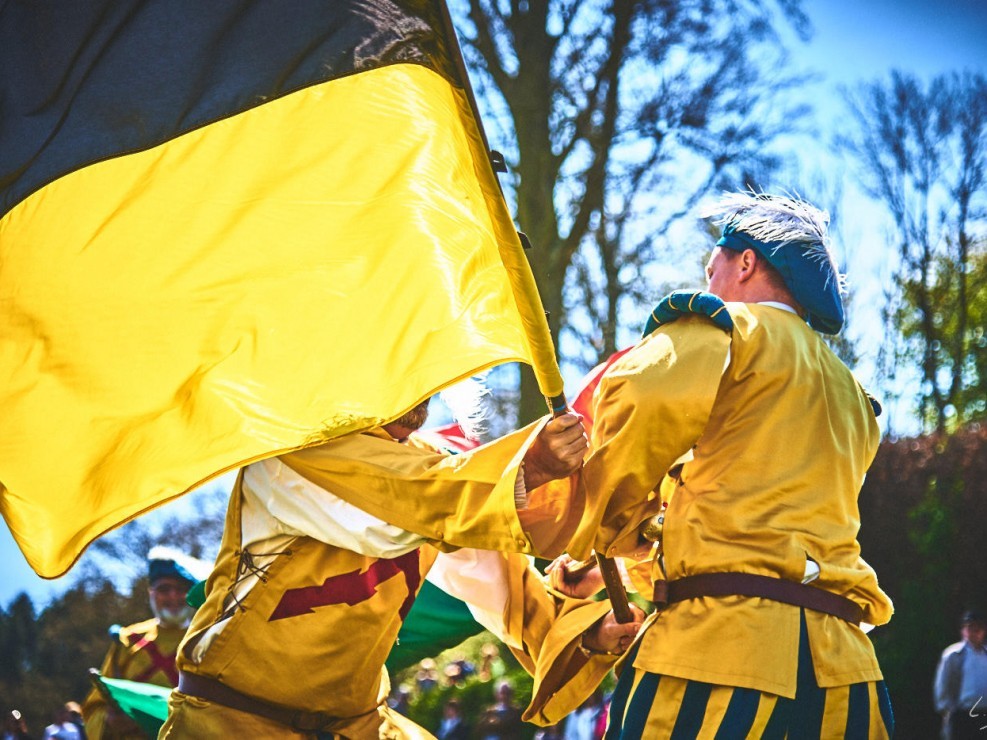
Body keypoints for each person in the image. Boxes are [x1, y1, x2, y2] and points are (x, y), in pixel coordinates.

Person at [551, 191, 895, 736]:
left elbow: (636, 410)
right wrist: (614, 564)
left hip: (719, 655)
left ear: (746, 261)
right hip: (846, 674)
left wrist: (602, 534)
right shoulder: (856, 396)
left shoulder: (723, 329)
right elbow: (754, 508)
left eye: (711, 267)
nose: (709, 280)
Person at [159, 398, 642, 738]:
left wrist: (584, 629)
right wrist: (528, 469)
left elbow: (500, 585)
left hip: (360, 726)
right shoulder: (291, 451)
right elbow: (403, 511)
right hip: (231, 725)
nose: (423, 394)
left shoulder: (438, 470)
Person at [83, 548, 208, 739]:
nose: (173, 596)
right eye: (164, 589)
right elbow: (94, 707)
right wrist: (109, 722)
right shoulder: (126, 639)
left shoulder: (208, 638)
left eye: (182, 589)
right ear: (151, 593)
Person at [934, 608, 987, 739]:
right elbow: (943, 685)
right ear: (964, 630)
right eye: (970, 627)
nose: (974, 632)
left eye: (978, 628)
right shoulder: (954, 655)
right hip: (962, 715)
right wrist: (947, 712)